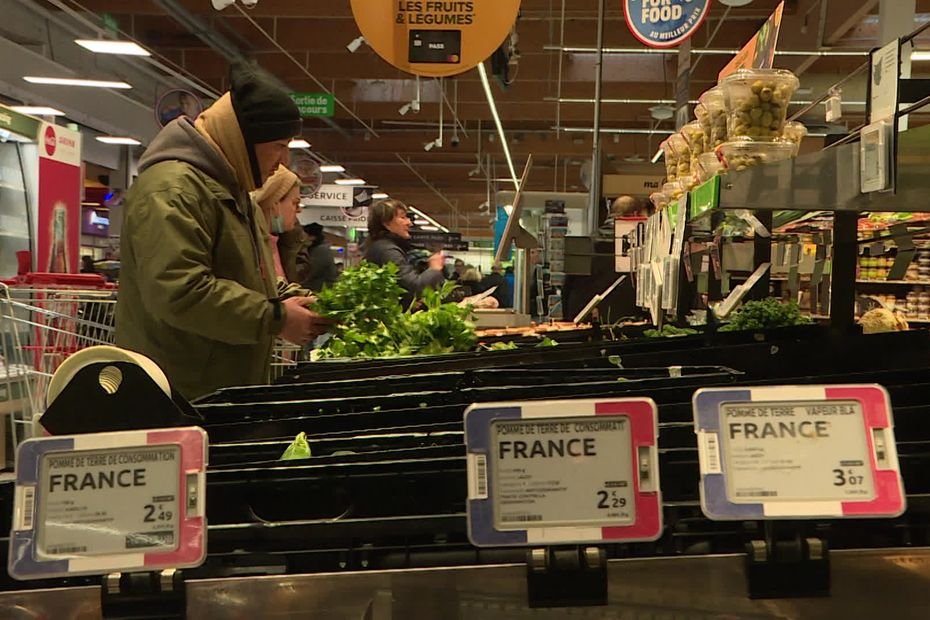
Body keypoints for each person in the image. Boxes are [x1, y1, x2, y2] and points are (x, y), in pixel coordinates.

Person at [116, 61, 328, 400]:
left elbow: (245, 274)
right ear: (244, 139)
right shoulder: (173, 190)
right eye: (279, 145)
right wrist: (274, 317)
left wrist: (290, 301)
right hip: (177, 396)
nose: (284, 161)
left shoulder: (231, 191)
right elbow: (180, 291)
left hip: (215, 391)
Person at [364, 198, 444, 306]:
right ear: (386, 223)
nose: (409, 223)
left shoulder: (382, 246)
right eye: (403, 217)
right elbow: (413, 288)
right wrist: (434, 268)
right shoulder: (388, 251)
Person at [253, 164, 302, 283]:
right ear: (275, 204)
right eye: (295, 203)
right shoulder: (253, 247)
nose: (299, 210)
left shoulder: (279, 245)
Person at [297, 222, 338, 292]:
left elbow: (312, 272)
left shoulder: (321, 250)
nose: (301, 239)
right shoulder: (317, 249)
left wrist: (297, 286)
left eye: (304, 235)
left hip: (321, 292)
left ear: (312, 237)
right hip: (319, 290)